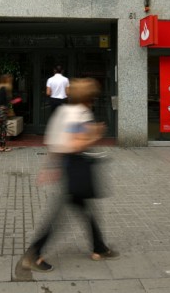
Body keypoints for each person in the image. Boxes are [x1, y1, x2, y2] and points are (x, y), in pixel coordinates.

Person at [20, 78, 118, 272]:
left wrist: (49, 167)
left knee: (84, 208)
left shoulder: (63, 112)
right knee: (60, 214)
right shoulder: (82, 114)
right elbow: (76, 144)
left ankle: (99, 247)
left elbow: (53, 140)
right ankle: (34, 253)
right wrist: (97, 133)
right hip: (76, 166)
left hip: (66, 164)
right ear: (90, 98)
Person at [0, 74, 13, 152]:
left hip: (0, 111)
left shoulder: (0, 88)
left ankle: (2, 146)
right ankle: (2, 147)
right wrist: (0, 111)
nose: (10, 81)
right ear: (6, 80)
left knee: (2, 129)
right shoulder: (3, 89)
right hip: (1, 112)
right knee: (3, 129)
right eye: (9, 79)